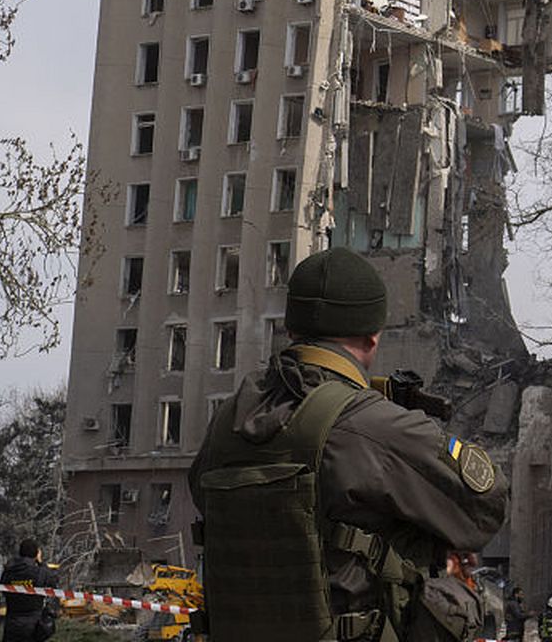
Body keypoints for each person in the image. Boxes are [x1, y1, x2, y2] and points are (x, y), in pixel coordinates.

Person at [189, 246, 508, 642]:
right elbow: (486, 504)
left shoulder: (225, 424)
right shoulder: (371, 423)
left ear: (291, 329)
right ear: (373, 336)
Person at [0, 538, 58, 642]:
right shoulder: (39, 572)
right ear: (36, 554)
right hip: (33, 625)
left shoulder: (9, 571)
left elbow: (2, 589)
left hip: (12, 623)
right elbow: (53, 582)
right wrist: (41, 563)